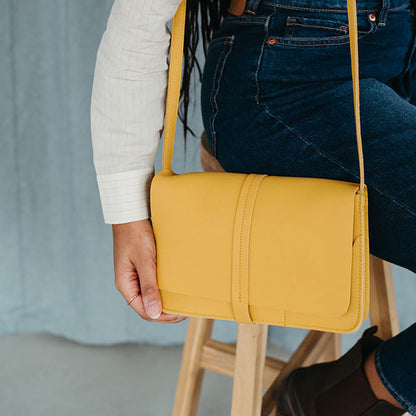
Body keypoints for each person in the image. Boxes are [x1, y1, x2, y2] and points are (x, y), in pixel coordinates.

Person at [90, 0, 416, 414]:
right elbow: (137, 23)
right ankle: (348, 398)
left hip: (399, 48)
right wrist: (127, 214)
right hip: (288, 79)